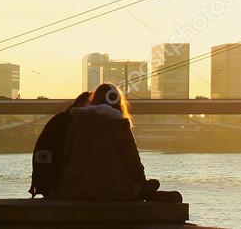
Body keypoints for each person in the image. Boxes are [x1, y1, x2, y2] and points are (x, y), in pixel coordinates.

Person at [52, 83, 182, 203]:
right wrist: (142, 185)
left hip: (76, 188)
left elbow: (67, 154)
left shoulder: (77, 122)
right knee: (160, 188)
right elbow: (133, 162)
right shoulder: (119, 125)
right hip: (113, 190)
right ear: (117, 102)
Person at [29, 91, 90, 197]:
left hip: (48, 183)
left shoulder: (59, 120)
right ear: (81, 105)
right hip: (57, 183)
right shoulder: (71, 124)